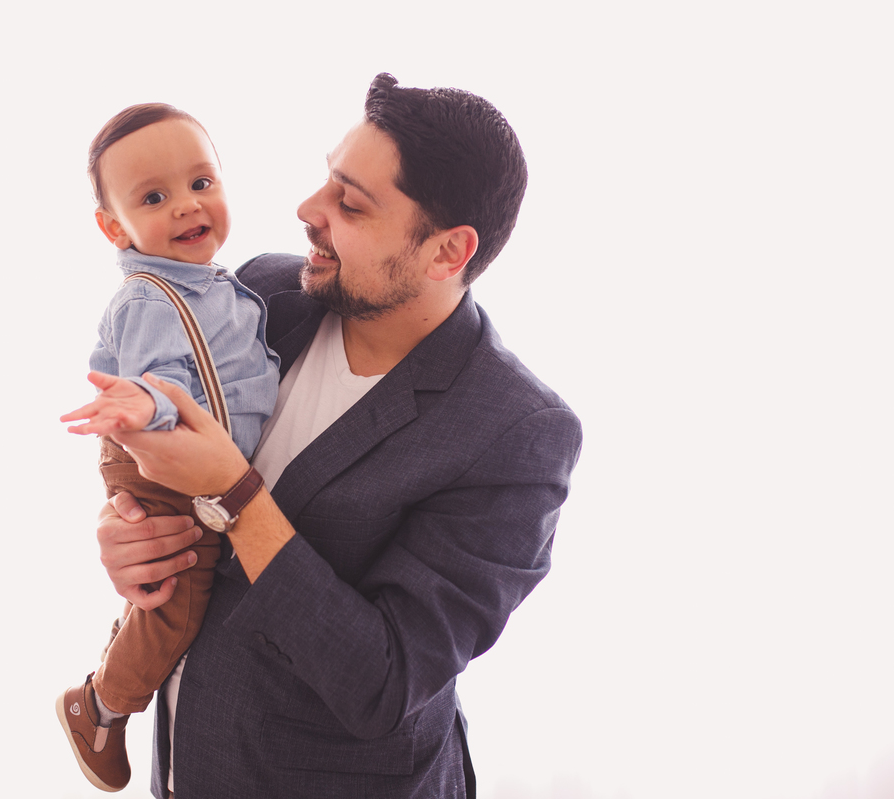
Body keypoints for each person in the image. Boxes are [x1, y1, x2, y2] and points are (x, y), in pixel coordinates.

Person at [97, 73, 583, 798]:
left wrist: (234, 493)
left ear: (447, 252)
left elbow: (381, 683)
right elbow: (169, 469)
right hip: (189, 762)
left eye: (349, 203)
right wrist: (127, 531)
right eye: (329, 180)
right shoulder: (263, 293)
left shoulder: (517, 435)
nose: (306, 210)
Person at [54, 103, 280, 792]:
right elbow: (159, 381)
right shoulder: (149, 298)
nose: (187, 206)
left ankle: (117, 666)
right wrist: (146, 402)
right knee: (178, 596)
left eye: (201, 183)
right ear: (114, 227)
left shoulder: (224, 284)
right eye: (154, 197)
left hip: (186, 452)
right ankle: (100, 706)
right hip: (158, 450)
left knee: (167, 580)